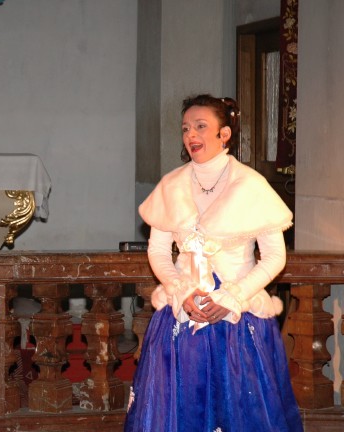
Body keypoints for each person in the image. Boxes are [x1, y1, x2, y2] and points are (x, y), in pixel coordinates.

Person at [124, 94, 303, 431]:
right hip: (184, 311)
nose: (191, 134)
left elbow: (275, 257)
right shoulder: (172, 185)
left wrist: (232, 297)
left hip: (239, 317)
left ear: (224, 134)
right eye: (185, 128)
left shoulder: (251, 185)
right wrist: (180, 291)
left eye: (201, 126)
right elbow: (158, 251)